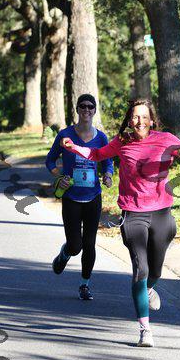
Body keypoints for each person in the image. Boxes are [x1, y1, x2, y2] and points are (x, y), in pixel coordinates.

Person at [61, 98, 180, 347]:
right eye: (135, 117)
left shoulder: (166, 139)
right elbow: (96, 155)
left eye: (144, 117)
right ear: (129, 120)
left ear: (152, 120)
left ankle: (149, 289)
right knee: (141, 269)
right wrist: (74, 147)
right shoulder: (122, 142)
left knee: (155, 271)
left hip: (161, 211)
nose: (139, 121)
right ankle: (145, 329)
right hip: (133, 212)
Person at [46, 94, 114, 301]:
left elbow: (108, 162)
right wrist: (59, 177)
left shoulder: (101, 138)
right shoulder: (65, 135)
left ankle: (85, 284)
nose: (86, 110)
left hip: (93, 197)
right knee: (76, 245)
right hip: (71, 197)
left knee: (90, 243)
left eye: (90, 107)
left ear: (94, 111)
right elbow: (50, 160)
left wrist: (108, 175)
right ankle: (65, 254)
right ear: (77, 109)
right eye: (82, 106)